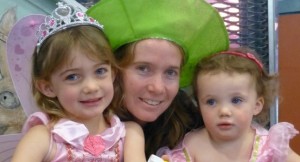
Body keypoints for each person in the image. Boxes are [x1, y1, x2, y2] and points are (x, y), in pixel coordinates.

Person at [87, 0, 230, 158]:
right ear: (115, 70)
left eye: (170, 72)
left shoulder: (191, 123)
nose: (157, 87)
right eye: (143, 68)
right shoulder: (83, 126)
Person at [11, 3, 146, 162]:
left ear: (113, 74)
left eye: (100, 71)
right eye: (73, 77)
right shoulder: (42, 138)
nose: (91, 87)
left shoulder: (129, 134)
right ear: (48, 87)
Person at [157, 47, 300, 162]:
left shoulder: (269, 146)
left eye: (236, 100)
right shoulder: (191, 147)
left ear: (257, 105)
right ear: (199, 106)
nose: (224, 111)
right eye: (211, 102)